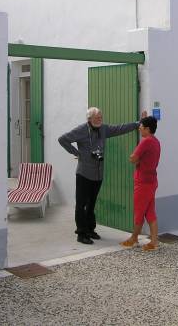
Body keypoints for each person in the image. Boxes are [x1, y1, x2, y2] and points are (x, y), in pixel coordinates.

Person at [58, 107, 147, 245]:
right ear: (89, 119)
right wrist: (77, 153)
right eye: (97, 117)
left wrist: (138, 123)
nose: (100, 119)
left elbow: (119, 128)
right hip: (84, 173)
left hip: (98, 174)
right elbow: (63, 139)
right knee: (81, 205)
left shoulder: (103, 129)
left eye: (101, 117)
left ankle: (90, 229)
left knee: (92, 203)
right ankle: (81, 233)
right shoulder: (81, 129)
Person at [120, 116, 160, 251]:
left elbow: (133, 158)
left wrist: (137, 161)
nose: (139, 128)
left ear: (147, 129)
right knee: (150, 212)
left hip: (143, 182)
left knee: (139, 212)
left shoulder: (145, 142)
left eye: (141, 127)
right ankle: (154, 242)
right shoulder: (156, 141)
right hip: (152, 181)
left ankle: (134, 238)